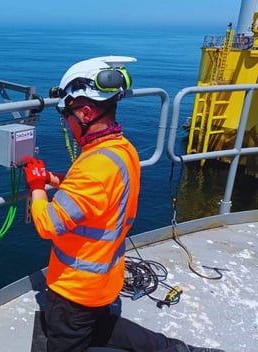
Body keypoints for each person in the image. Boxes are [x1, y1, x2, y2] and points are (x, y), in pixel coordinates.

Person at [22, 56, 225, 352]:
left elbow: (47, 224)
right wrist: (54, 178)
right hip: (106, 278)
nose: (65, 123)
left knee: (72, 336)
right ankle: (179, 350)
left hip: (75, 290)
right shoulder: (121, 149)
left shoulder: (92, 167)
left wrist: (37, 185)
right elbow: (96, 193)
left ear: (86, 112)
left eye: (66, 115)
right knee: (104, 328)